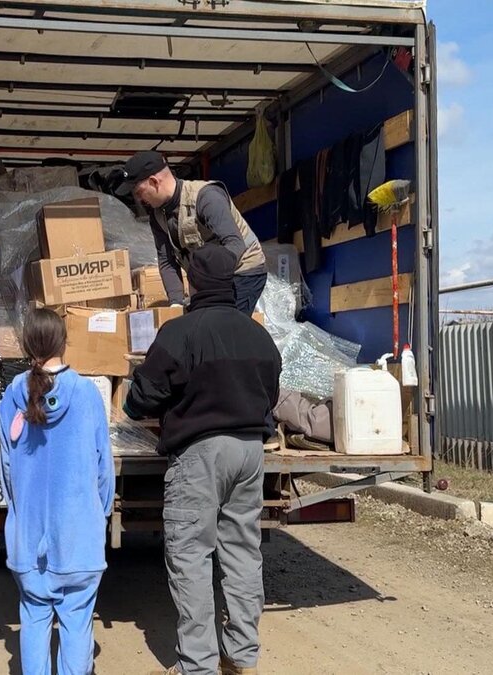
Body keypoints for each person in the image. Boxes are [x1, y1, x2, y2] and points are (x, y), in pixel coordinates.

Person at [123, 244, 282, 675]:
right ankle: (242, 654)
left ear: (193, 283)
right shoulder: (259, 336)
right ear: (232, 283)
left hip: (200, 455)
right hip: (250, 452)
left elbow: (140, 400)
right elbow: (271, 396)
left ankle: (197, 665)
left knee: (191, 556)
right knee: (242, 553)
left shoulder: (180, 333)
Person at [0, 309, 115, 675]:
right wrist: (103, 513)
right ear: (64, 341)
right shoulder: (86, 394)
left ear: (27, 344)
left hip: (28, 535)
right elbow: (103, 467)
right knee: (77, 619)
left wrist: (17, 514)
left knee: (33, 617)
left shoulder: (11, 397)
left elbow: (6, 471)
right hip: (79, 533)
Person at [115, 150, 268, 314]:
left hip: (243, 270)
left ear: (154, 182)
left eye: (139, 192)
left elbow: (235, 244)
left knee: (222, 328)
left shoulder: (206, 197)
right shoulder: (157, 215)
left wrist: (209, 284)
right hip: (207, 280)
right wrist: (176, 302)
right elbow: (166, 260)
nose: (138, 199)